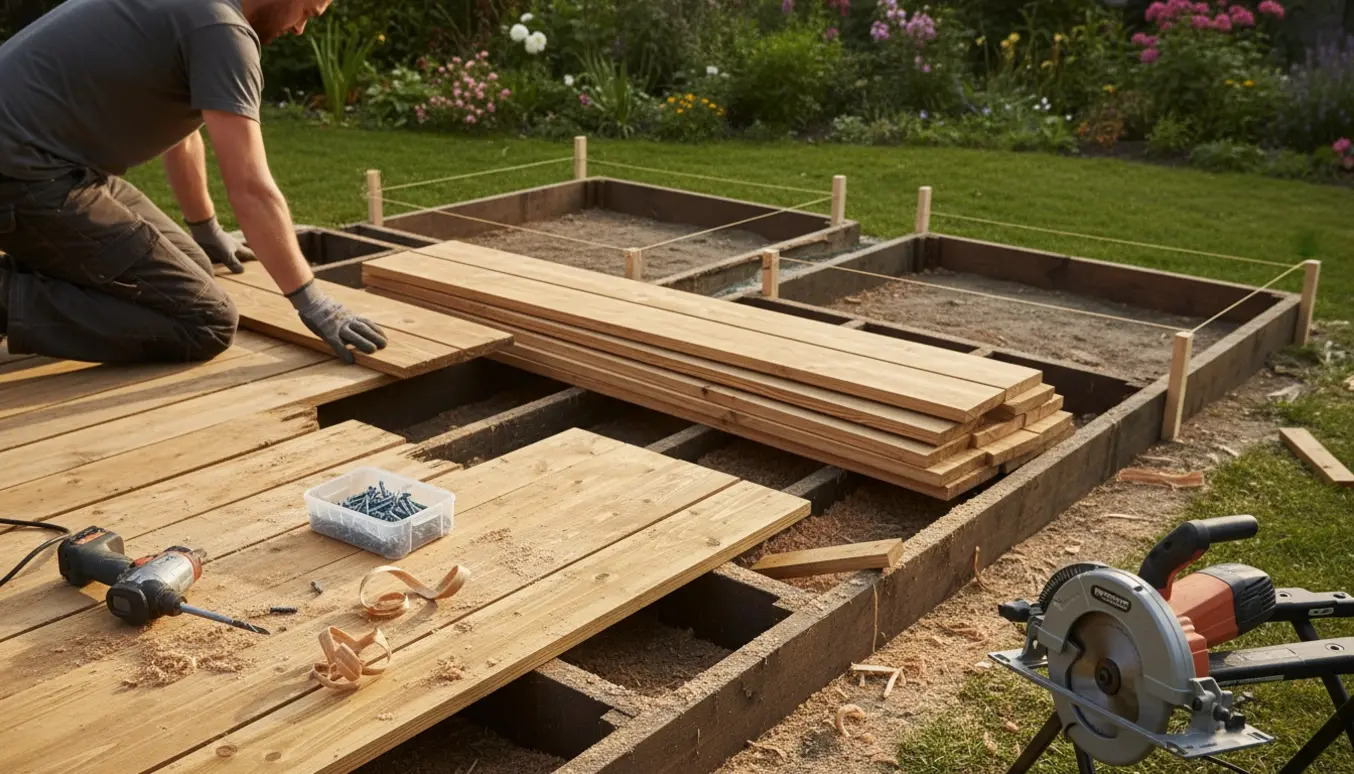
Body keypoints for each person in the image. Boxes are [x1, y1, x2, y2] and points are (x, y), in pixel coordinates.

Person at [0, 0, 388, 364]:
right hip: (25, 173)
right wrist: (312, 301)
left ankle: (35, 268)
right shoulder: (222, 31)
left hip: (48, 165)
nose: (301, 28)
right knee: (206, 320)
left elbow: (183, 136)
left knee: (193, 268)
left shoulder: (197, 11)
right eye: (308, 11)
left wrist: (206, 228)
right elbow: (251, 187)